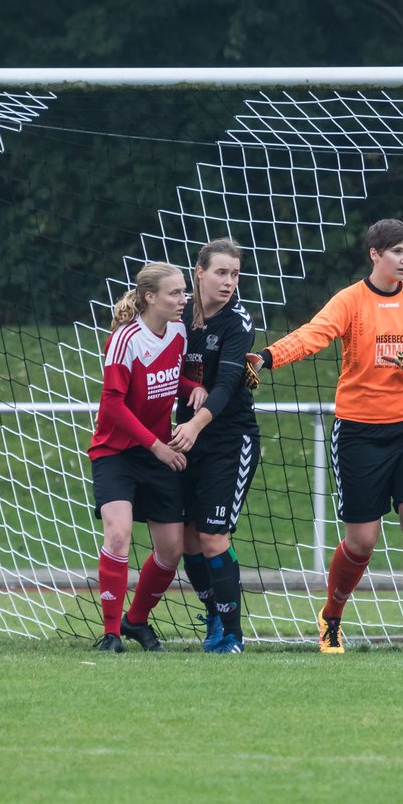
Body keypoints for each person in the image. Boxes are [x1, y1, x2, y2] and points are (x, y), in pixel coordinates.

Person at [247, 219, 403, 654]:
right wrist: (268, 357)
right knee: (363, 541)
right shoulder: (350, 300)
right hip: (359, 432)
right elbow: (312, 335)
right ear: (374, 255)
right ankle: (332, 618)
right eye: (395, 252)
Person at [88, 262, 206, 653]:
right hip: (117, 452)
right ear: (149, 297)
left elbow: (171, 378)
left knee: (171, 550)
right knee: (118, 534)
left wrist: (193, 388)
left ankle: (135, 621)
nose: (183, 299)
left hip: (158, 455)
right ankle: (110, 634)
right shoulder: (125, 339)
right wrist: (156, 445)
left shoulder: (177, 332)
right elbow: (113, 405)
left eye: (185, 292)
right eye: (175, 293)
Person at [168, 239, 260, 655]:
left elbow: (224, 388)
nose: (228, 282)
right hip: (182, 437)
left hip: (228, 439)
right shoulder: (177, 314)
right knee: (186, 540)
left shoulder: (238, 322)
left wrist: (194, 426)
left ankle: (232, 636)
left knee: (213, 537)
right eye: (221, 272)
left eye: (235, 274)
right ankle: (214, 620)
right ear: (199, 272)